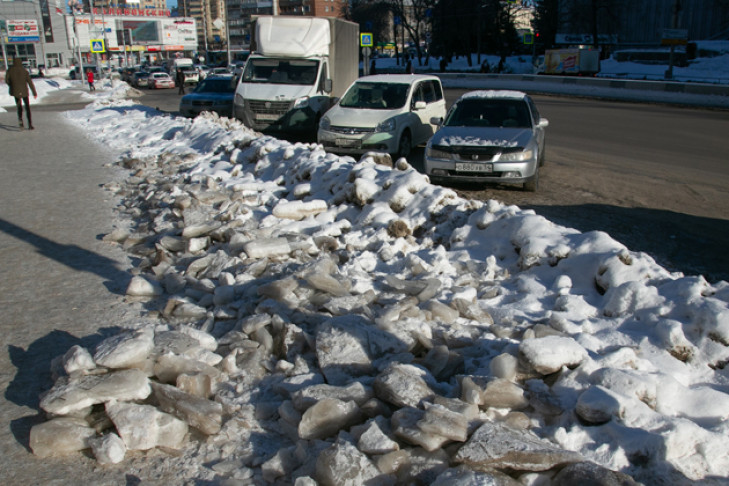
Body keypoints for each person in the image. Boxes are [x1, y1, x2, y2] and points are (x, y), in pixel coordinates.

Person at [6, 58, 37, 130]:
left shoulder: (10, 70)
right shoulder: (24, 71)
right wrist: (34, 93)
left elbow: (7, 80)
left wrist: (12, 85)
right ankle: (30, 124)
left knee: (19, 107)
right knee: (27, 107)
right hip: (24, 92)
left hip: (15, 91)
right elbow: (30, 82)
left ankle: (21, 121)